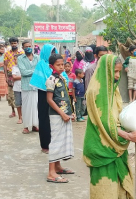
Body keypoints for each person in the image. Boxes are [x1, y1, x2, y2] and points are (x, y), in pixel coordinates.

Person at [83, 54, 136, 198]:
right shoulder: (95, 92)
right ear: (105, 71)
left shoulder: (113, 90)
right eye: (114, 72)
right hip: (101, 147)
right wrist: (128, 135)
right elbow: (105, 123)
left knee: (120, 188)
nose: (117, 76)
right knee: (105, 189)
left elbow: (118, 116)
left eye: (119, 72)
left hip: (116, 145)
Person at [30, 44, 68, 154]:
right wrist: (53, 82)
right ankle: (45, 145)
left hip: (56, 95)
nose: (52, 54)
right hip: (43, 95)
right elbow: (42, 81)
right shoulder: (41, 64)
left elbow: (65, 77)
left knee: (56, 119)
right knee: (44, 120)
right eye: (50, 52)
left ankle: (55, 143)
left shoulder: (58, 64)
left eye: (54, 51)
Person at [46, 53, 75, 183]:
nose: (62, 67)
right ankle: (51, 173)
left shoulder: (62, 78)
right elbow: (50, 100)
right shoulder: (51, 80)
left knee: (61, 140)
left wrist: (70, 112)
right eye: (58, 65)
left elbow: (66, 98)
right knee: (56, 142)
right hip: (57, 115)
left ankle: (57, 166)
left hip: (64, 114)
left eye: (62, 64)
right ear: (51, 66)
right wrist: (62, 114)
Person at [18, 41, 39, 134]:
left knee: (36, 107)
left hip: (36, 86)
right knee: (26, 107)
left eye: (30, 46)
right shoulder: (20, 58)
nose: (28, 48)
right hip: (26, 86)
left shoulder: (37, 57)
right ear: (23, 48)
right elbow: (23, 72)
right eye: (26, 46)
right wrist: (35, 71)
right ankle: (26, 126)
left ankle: (35, 125)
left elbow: (40, 70)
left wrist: (31, 71)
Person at [4, 37, 24, 118]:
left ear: (17, 43)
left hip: (20, 74)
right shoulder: (7, 53)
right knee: (10, 94)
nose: (13, 44)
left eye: (15, 43)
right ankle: (13, 111)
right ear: (10, 44)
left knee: (20, 93)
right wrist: (6, 76)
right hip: (10, 74)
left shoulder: (22, 52)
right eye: (12, 43)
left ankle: (21, 113)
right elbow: (5, 65)